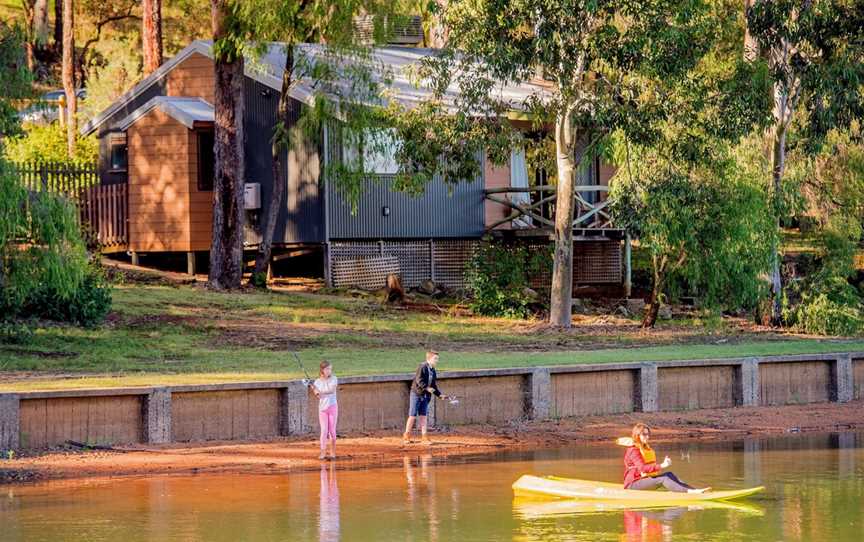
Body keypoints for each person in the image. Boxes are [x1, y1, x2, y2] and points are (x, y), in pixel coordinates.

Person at [623, 423, 710, 493]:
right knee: (663, 478)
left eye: (648, 434)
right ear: (637, 435)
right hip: (632, 485)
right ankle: (688, 492)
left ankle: (693, 490)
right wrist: (662, 465)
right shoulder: (633, 450)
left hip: (644, 480)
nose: (648, 437)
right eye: (644, 434)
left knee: (669, 474)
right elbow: (642, 468)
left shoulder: (645, 448)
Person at [402, 351, 450, 445]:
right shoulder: (422, 366)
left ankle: (424, 437)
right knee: (412, 415)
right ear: (429, 359)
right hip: (416, 394)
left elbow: (433, 385)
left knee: (423, 416)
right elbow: (418, 380)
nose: (437, 361)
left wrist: (439, 395)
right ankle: (406, 435)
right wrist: (427, 388)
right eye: (435, 359)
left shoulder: (433, 370)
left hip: (425, 396)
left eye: (437, 359)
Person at [312, 360, 338, 460]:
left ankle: (332, 452)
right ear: (322, 370)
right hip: (322, 409)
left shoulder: (334, 379)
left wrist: (319, 391)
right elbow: (318, 395)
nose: (329, 371)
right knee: (324, 431)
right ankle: (322, 452)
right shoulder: (317, 382)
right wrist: (314, 390)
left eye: (330, 369)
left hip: (332, 407)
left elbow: (331, 390)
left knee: (332, 431)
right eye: (327, 369)